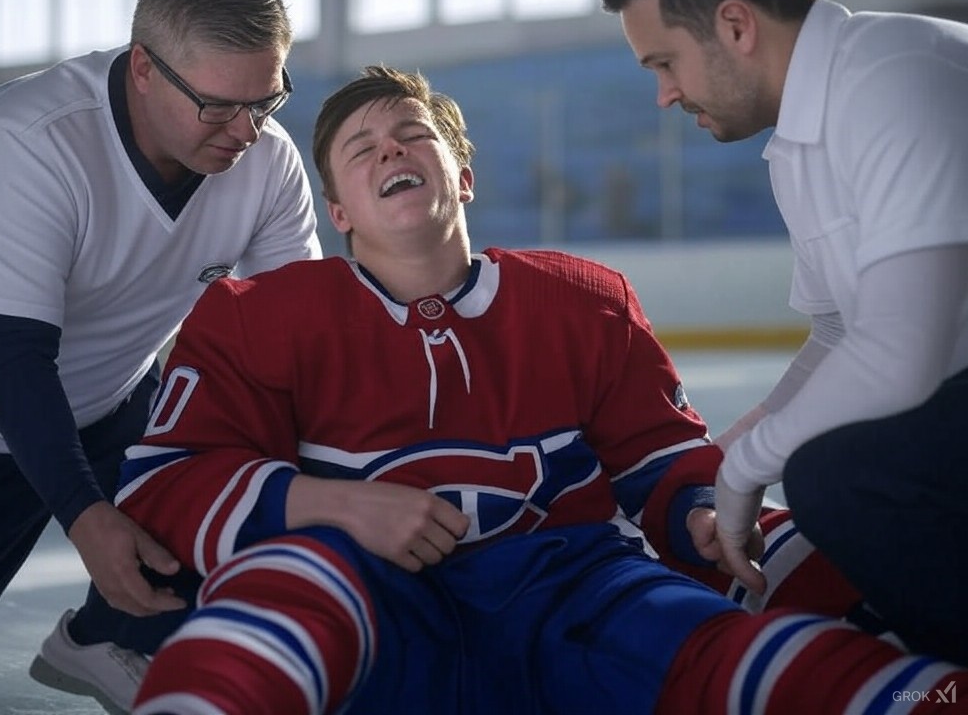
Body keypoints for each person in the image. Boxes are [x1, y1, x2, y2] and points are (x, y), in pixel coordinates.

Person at [112, 64, 965, 715]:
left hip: (574, 588)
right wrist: (334, 507)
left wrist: (701, 508)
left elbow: (660, 458)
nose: (392, 152)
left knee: (742, 604)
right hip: (368, 594)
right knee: (282, 590)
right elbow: (163, 481)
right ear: (339, 213)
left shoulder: (584, 299)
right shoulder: (256, 315)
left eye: (412, 136)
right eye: (362, 151)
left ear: (464, 176)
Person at [0, 0, 321, 711]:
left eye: (267, 100)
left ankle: (103, 635)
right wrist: (86, 518)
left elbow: (300, 335)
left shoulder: (266, 160)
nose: (246, 132)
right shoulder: (28, 142)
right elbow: (13, 363)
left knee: (254, 485)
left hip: (117, 405)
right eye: (218, 106)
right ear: (143, 67)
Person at [600, 0, 968, 667]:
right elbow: (838, 330)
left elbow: (898, 356)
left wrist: (747, 473)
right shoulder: (799, 144)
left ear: (736, 25)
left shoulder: (893, 75)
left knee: (843, 476)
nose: (664, 96)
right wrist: (731, 452)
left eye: (665, 64)